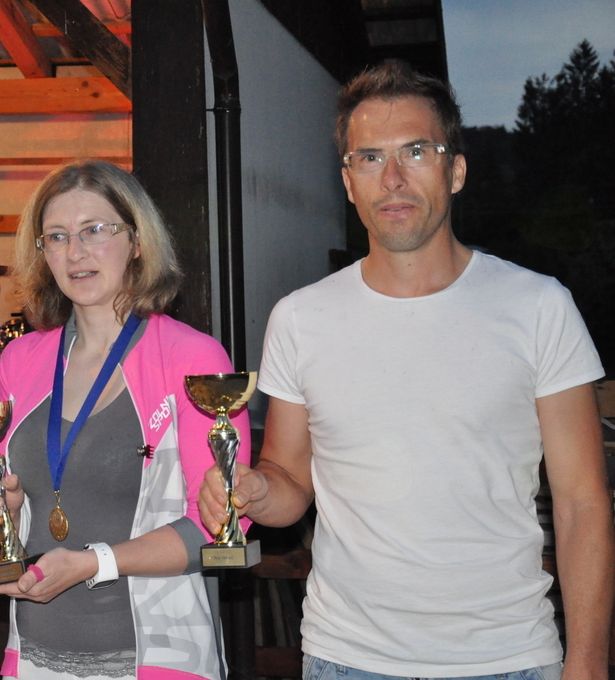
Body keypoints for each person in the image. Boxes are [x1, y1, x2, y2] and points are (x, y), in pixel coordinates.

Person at [199, 60, 615, 679]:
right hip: (346, 659)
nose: (392, 178)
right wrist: (254, 490)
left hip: (508, 657)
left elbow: (583, 503)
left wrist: (588, 662)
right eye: (370, 158)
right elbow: (289, 482)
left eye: (416, 151)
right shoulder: (300, 318)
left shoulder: (538, 307)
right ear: (348, 182)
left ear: (456, 170)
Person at [0, 160, 251, 679]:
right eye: (57, 237)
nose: (75, 252)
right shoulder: (21, 360)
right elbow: (12, 520)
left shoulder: (191, 357)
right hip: (32, 658)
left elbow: (219, 526)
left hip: (158, 659)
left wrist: (94, 562)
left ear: (137, 240)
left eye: (94, 230)